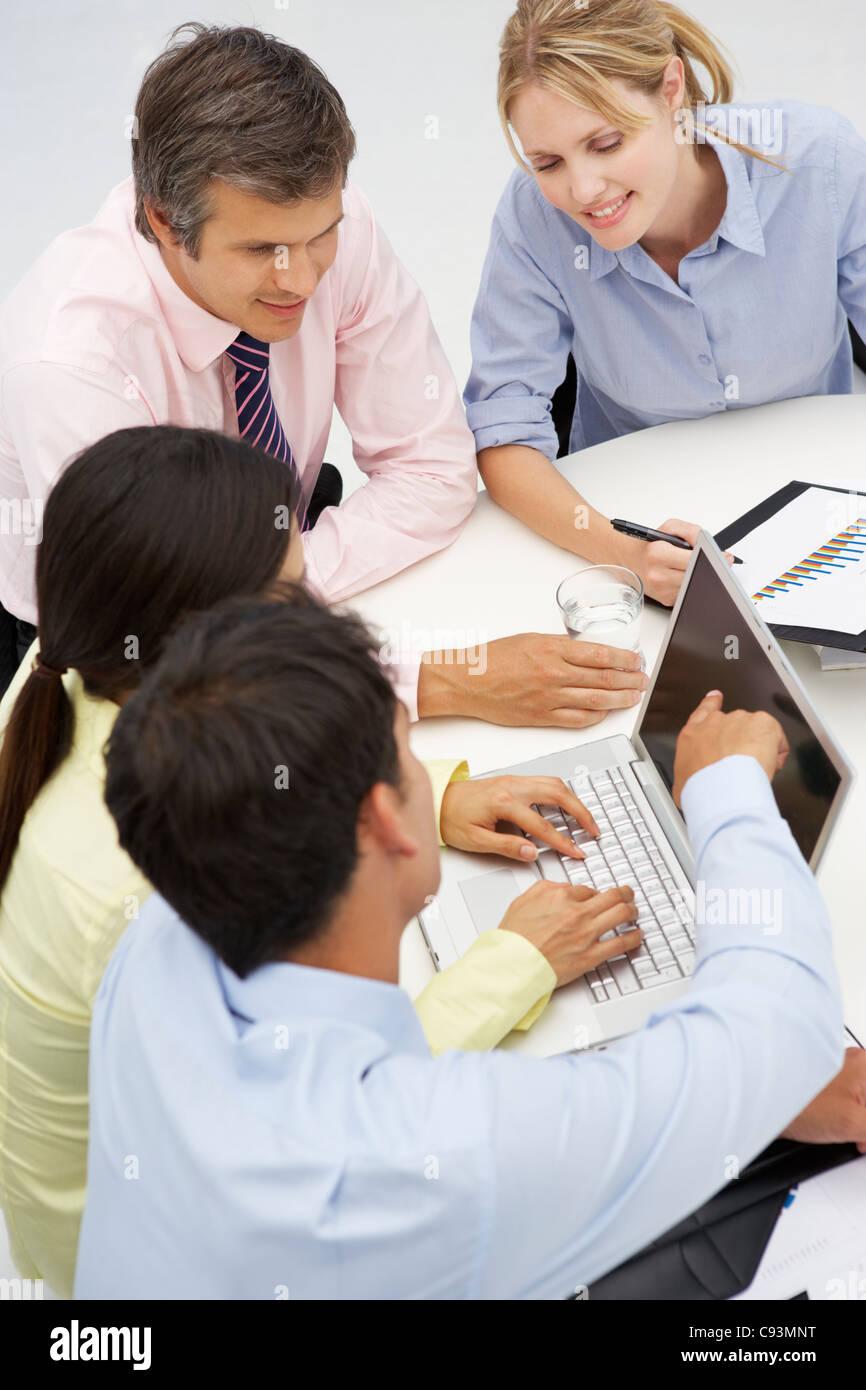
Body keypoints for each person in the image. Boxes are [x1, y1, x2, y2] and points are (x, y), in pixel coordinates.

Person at [0, 423, 640, 1299]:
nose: (324, 622)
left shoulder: (80, 671)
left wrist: (429, 797)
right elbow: (316, 1120)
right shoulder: (144, 879)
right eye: (293, 597)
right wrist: (516, 964)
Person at [75, 597, 853, 1299]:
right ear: (384, 823)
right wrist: (724, 791)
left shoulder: (155, 942)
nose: (432, 776)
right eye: (416, 758)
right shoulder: (430, 1160)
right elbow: (782, 1033)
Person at [0, 22, 645, 731]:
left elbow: (432, 469)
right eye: (261, 249)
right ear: (161, 219)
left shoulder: (333, 228)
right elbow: (160, 645)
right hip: (99, 656)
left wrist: (284, 578)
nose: (301, 280)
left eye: (320, 236)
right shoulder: (72, 367)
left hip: (280, 554)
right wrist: (447, 682)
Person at [464, 0, 866, 606]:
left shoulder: (819, 161)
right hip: (636, 518)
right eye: (547, 162)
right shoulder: (532, 215)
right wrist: (623, 552)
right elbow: (504, 432)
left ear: (671, 89)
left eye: (606, 142)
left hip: (823, 507)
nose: (582, 191)